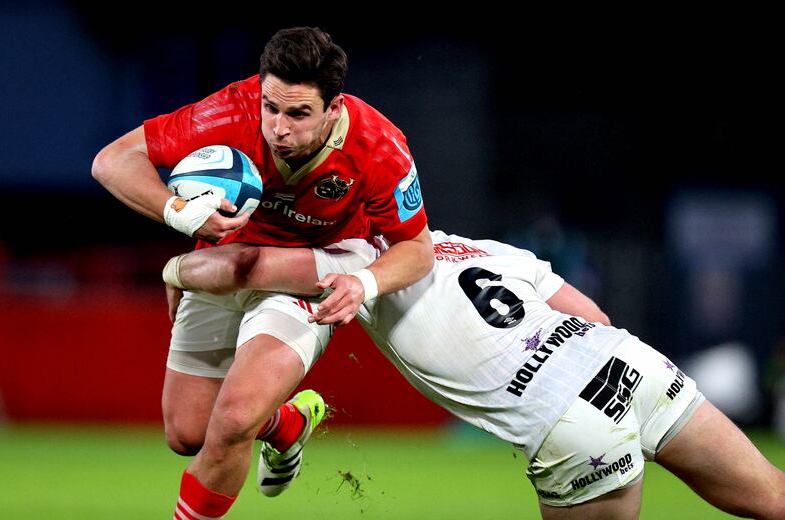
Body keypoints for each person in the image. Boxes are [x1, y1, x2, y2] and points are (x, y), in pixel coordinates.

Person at [162, 231, 785, 519]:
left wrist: (176, 270)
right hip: (633, 366)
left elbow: (243, 267)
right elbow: (592, 315)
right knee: (773, 497)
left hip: (568, 425)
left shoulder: (350, 259)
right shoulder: (482, 248)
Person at [91, 27, 434, 518]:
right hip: (230, 255)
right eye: (271, 108)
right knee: (187, 434)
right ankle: (284, 425)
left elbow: (416, 249)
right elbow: (111, 162)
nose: (278, 128)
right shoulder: (233, 109)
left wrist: (365, 282)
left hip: (317, 265)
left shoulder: (378, 145)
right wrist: (177, 210)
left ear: (334, 107)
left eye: (298, 114)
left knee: (231, 421)